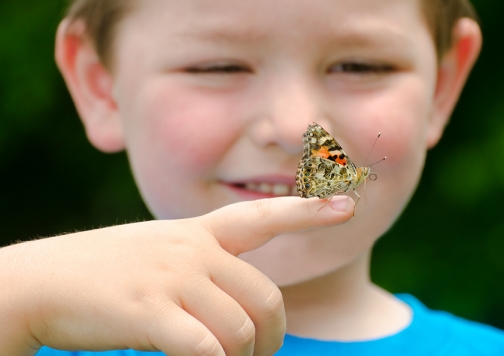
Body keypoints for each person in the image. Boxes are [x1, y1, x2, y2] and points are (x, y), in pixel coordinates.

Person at [1, 0, 502, 354]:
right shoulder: (35, 332)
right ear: (100, 86)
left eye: (359, 64)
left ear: (444, 85)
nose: (290, 126)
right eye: (218, 66)